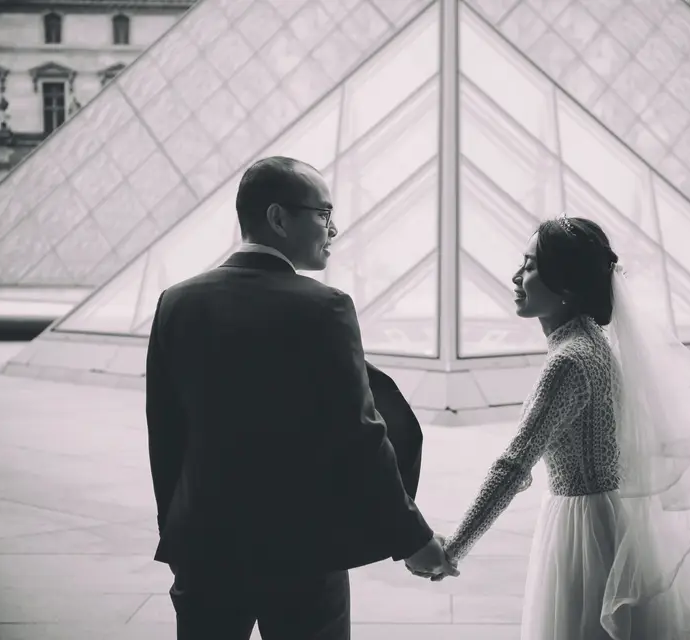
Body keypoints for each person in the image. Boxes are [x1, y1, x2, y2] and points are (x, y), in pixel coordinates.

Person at [145, 156, 457, 640]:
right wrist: (412, 539)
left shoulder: (176, 302)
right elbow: (362, 439)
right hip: (303, 552)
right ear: (277, 217)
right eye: (323, 213)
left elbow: (165, 437)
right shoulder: (324, 307)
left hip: (203, 544)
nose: (333, 229)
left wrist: (177, 532)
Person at [423, 215, 690, 639]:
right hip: (615, 520)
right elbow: (634, 440)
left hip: (585, 530)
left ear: (566, 285)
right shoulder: (597, 346)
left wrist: (455, 547)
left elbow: (513, 466)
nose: (516, 276)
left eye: (530, 265)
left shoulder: (569, 361)